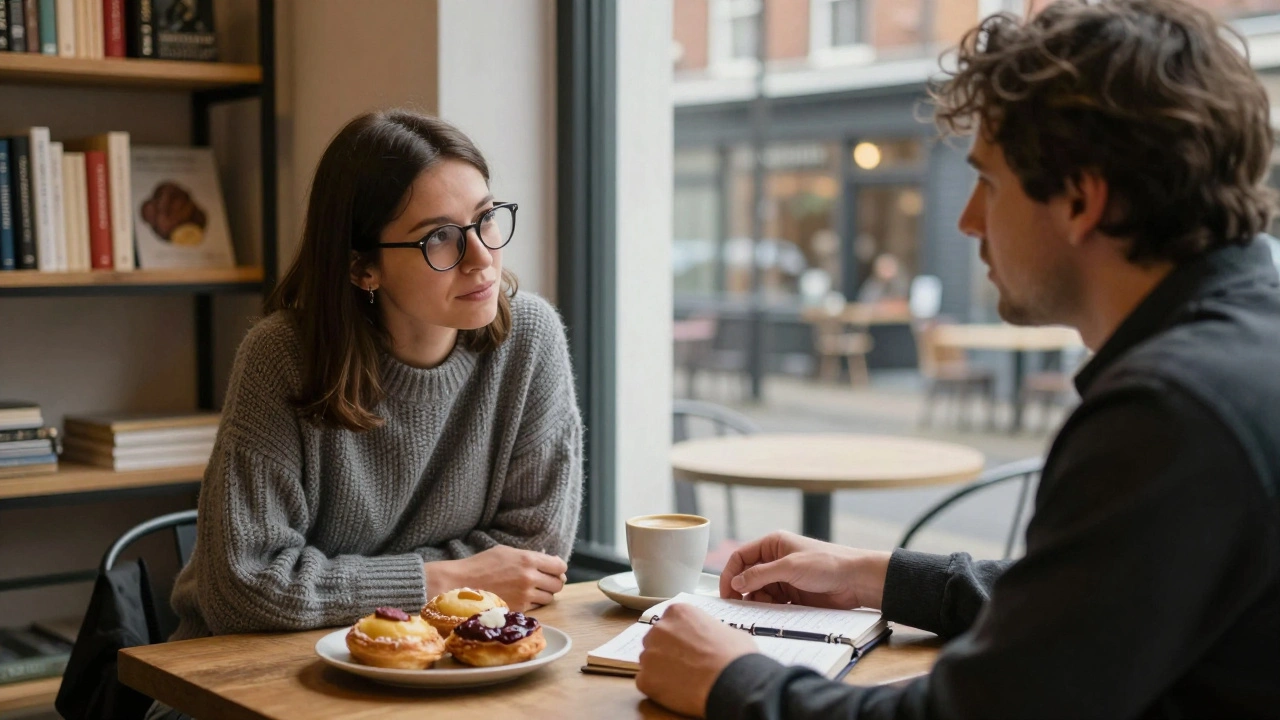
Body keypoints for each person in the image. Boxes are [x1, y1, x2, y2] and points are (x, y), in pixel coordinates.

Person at [636, 1, 1280, 718]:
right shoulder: (1246, 350)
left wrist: (732, 679)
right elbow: (1095, 599)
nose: (968, 219)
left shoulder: (1173, 410)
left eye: (989, 182)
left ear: (1080, 200)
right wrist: (871, 574)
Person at [166, 110, 582, 645]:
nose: (482, 258)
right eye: (439, 238)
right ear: (362, 267)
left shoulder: (531, 340)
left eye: (486, 218)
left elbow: (531, 562)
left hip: (445, 662)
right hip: (245, 670)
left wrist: (337, 582)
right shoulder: (283, 357)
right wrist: (443, 581)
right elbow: (244, 587)